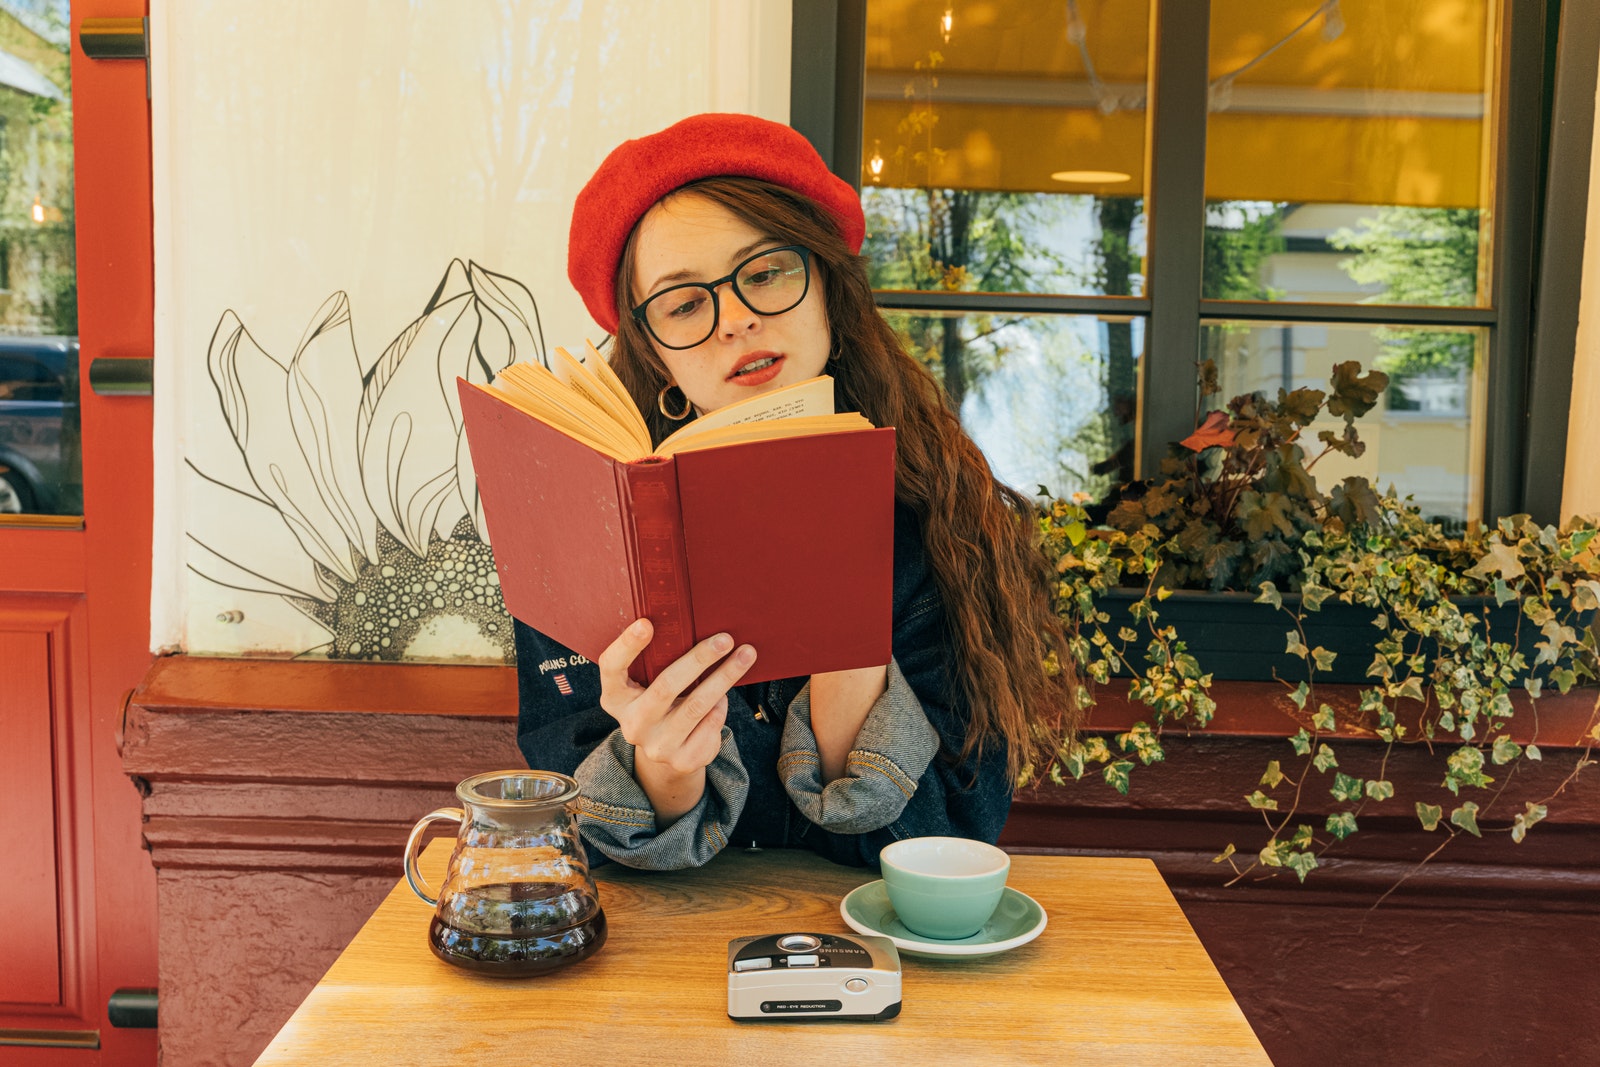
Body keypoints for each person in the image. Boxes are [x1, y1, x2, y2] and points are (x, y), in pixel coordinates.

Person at [515, 112, 1081, 870]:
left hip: (878, 954)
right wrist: (665, 768)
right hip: (659, 965)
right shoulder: (589, 526)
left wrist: (846, 635)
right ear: (653, 351)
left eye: (766, 271)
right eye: (684, 303)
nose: (736, 320)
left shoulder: (942, 510)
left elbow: (955, 833)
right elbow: (581, 833)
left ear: (827, 288)